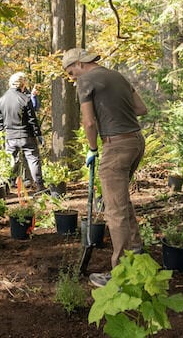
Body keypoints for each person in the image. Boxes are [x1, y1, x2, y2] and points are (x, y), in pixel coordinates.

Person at [62, 48, 148, 288]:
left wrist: (92, 149)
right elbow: (141, 109)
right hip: (136, 142)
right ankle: (137, 253)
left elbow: (89, 122)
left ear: (79, 63)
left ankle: (121, 274)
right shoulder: (117, 76)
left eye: (71, 72)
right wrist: (113, 111)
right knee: (120, 201)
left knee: (114, 210)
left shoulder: (86, 80)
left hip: (116, 146)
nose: (73, 78)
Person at [0, 72, 45, 193]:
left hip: (10, 137)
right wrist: (38, 135)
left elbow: (0, 122)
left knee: (9, 162)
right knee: (33, 160)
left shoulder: (1, 100)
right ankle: (39, 187)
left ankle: (4, 188)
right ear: (22, 84)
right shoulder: (25, 99)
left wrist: (2, 136)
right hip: (26, 136)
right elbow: (32, 120)